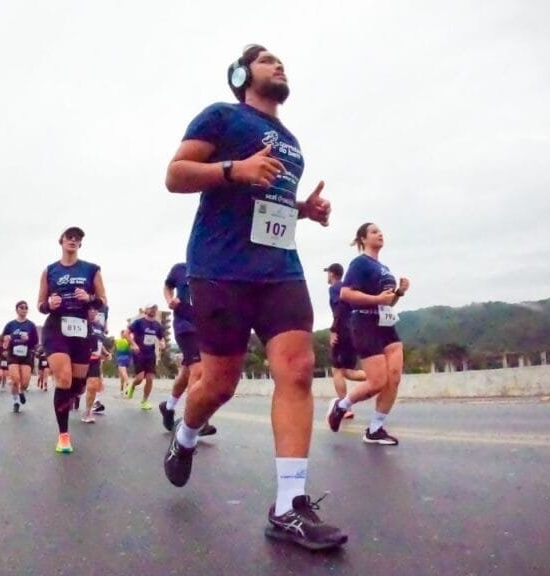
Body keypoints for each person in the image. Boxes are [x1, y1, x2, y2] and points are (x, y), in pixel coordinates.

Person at [162, 44, 346, 551]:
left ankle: (289, 505)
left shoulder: (292, 142)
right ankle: (186, 434)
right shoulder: (221, 116)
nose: (279, 64)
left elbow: (271, 200)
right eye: (266, 60)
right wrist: (232, 170)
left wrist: (303, 209)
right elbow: (175, 174)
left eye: (281, 60)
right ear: (242, 74)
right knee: (218, 383)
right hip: (220, 267)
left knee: (297, 367)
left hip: (279, 268)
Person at [326, 223, 410, 446]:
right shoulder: (359, 263)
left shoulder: (383, 267)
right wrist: (376, 300)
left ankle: (375, 429)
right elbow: (346, 293)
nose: (380, 234)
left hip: (386, 323)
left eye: (381, 231)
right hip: (364, 323)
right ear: (363, 239)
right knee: (377, 382)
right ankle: (341, 406)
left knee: (394, 378)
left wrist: (400, 292)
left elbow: (388, 300)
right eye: (374, 231)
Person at [37, 226, 108, 453]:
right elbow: (40, 305)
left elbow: (103, 302)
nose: (73, 240)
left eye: (77, 238)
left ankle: (69, 397)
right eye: (70, 236)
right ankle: (64, 436)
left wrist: (89, 298)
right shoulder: (50, 271)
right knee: (64, 378)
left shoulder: (92, 270)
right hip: (56, 327)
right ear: (62, 241)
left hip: (80, 329)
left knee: (77, 385)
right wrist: (50, 304)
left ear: (80, 244)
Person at [159, 262, 216, 436]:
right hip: (185, 327)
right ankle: (196, 422)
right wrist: (170, 300)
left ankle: (168, 407)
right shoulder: (180, 269)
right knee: (198, 371)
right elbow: (167, 286)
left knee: (186, 373)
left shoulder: (215, 270)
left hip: (205, 329)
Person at [325, 263, 366, 419]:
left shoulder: (335, 288)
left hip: (343, 330)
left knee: (336, 370)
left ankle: (344, 407)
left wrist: (334, 330)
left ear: (332, 274)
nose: (327, 276)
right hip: (354, 329)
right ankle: (379, 378)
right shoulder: (349, 289)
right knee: (347, 372)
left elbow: (339, 309)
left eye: (328, 273)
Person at [2, 300, 40, 413]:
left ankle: (21, 391)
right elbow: (3, 338)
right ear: (17, 309)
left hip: (26, 354)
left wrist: (28, 339)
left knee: (25, 382)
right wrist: (6, 339)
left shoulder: (31, 325)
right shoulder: (10, 325)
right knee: (15, 380)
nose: (24, 309)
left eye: (26, 308)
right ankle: (16, 401)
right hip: (13, 354)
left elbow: (35, 341)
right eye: (22, 307)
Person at [126, 304, 165, 410]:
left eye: (155, 309)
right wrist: (134, 344)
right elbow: (126, 333)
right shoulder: (139, 322)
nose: (153, 310)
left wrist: (162, 343)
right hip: (139, 353)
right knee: (139, 378)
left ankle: (144, 401)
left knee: (150, 378)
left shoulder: (157, 325)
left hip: (151, 354)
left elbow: (161, 337)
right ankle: (132, 386)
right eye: (151, 308)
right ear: (146, 310)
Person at [81, 308, 110, 423]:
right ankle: (74, 397)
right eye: (90, 310)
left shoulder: (99, 326)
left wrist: (105, 352)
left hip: (94, 360)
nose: (93, 312)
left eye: (95, 310)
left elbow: (99, 342)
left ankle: (88, 412)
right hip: (80, 360)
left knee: (92, 386)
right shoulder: (80, 323)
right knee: (78, 387)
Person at [113, 328, 133, 397]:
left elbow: (115, 350)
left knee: (123, 373)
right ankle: (121, 391)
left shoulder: (117, 341)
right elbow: (131, 350)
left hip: (120, 359)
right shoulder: (128, 341)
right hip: (127, 359)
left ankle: (128, 384)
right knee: (122, 376)